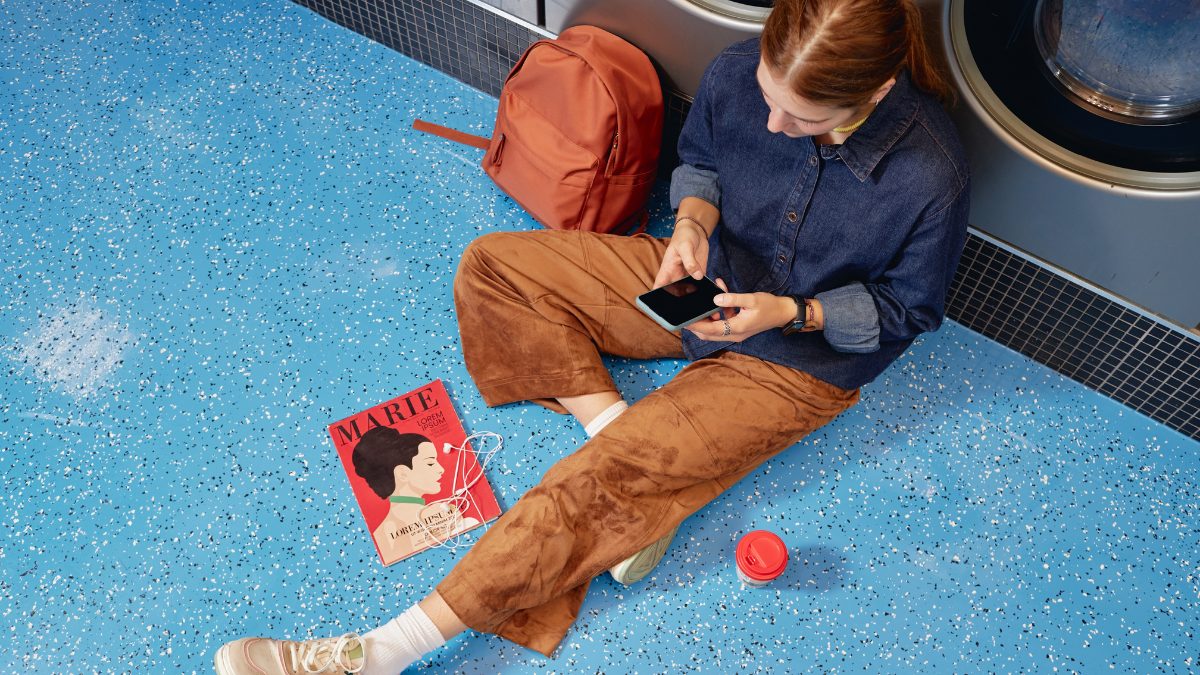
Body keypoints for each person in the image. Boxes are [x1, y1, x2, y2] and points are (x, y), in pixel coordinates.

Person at [212, 0, 970, 673]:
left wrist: (790, 313)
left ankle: (378, 655)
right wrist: (692, 227)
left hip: (797, 360)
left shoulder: (930, 175)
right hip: (705, 283)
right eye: (770, 100)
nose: (773, 125)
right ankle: (621, 446)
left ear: (874, 93)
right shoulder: (740, 69)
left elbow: (908, 311)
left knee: (587, 486)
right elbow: (703, 162)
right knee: (494, 266)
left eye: (800, 120)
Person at [353, 428, 480, 564]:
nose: (441, 469)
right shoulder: (444, 511)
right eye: (430, 463)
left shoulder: (381, 535)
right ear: (402, 473)